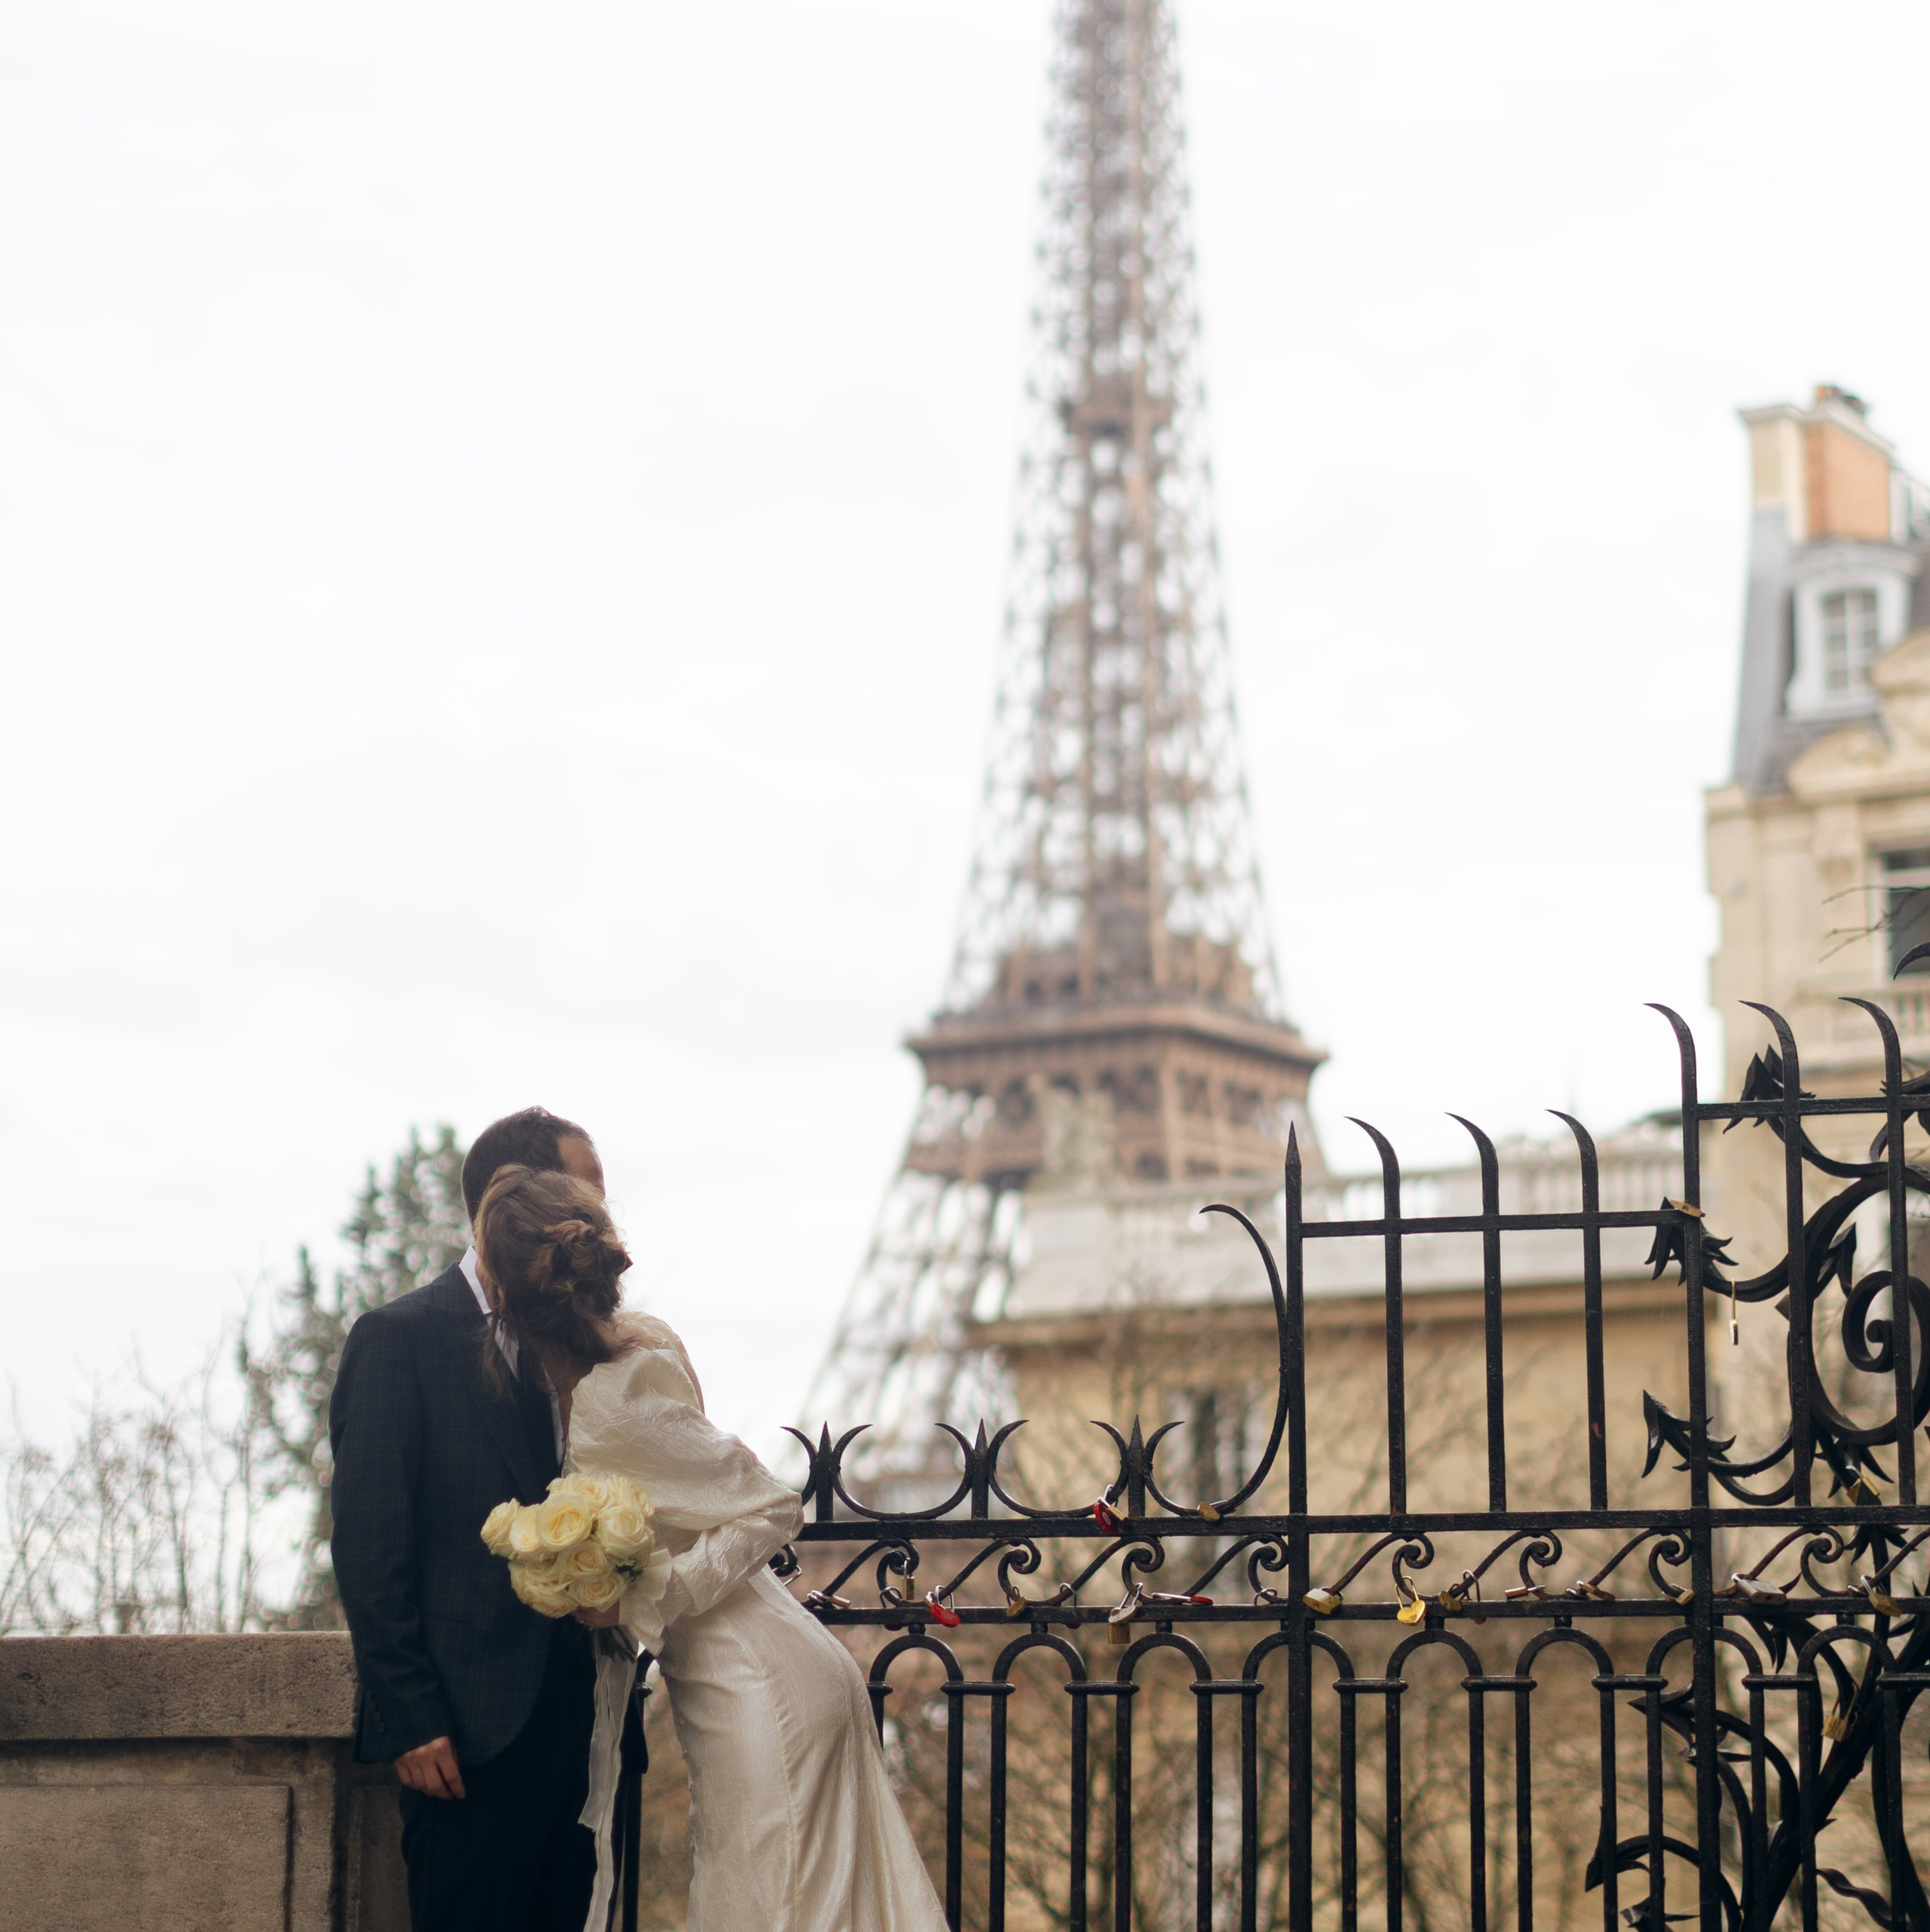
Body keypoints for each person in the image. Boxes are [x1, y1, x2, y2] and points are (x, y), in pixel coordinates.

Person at [470, 1162, 948, 1932]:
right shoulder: (629, 1355)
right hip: (747, 1671)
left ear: (503, 1286)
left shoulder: (608, 1401)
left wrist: (646, 1592)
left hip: (756, 1680)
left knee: (776, 1908)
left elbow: (767, 1505)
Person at [330, 1107, 616, 1932]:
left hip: (582, 1740)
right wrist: (412, 1720)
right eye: (589, 1189)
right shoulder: (398, 1339)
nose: (605, 1213)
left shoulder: (589, 1349)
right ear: (518, 1195)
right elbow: (370, 1546)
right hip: (464, 1741)